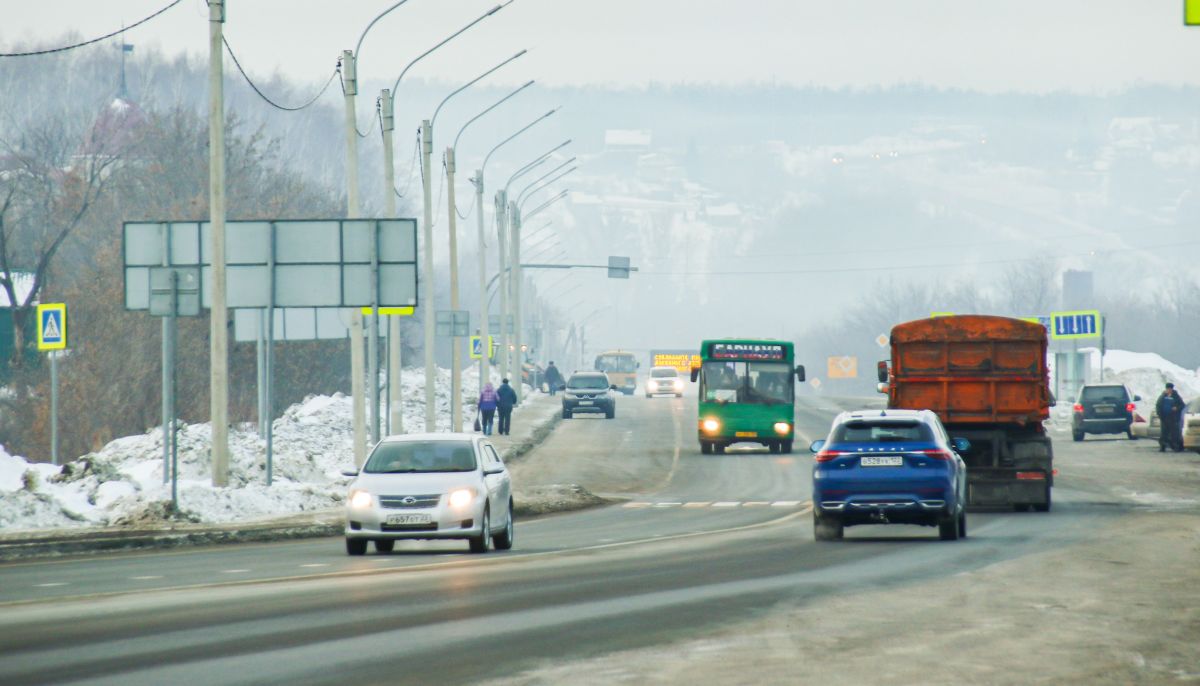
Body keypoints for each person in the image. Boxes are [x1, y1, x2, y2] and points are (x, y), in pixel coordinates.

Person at [1156, 383, 1186, 453]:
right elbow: (1158, 405)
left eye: (1170, 389)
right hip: (1164, 417)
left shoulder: (1176, 396)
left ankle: (1176, 446)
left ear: (1172, 389)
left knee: (1174, 433)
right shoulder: (1162, 396)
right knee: (1164, 433)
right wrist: (1160, 415)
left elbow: (1182, 405)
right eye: (1167, 389)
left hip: (1173, 418)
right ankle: (1162, 446)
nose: (1169, 390)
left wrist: (1176, 408)